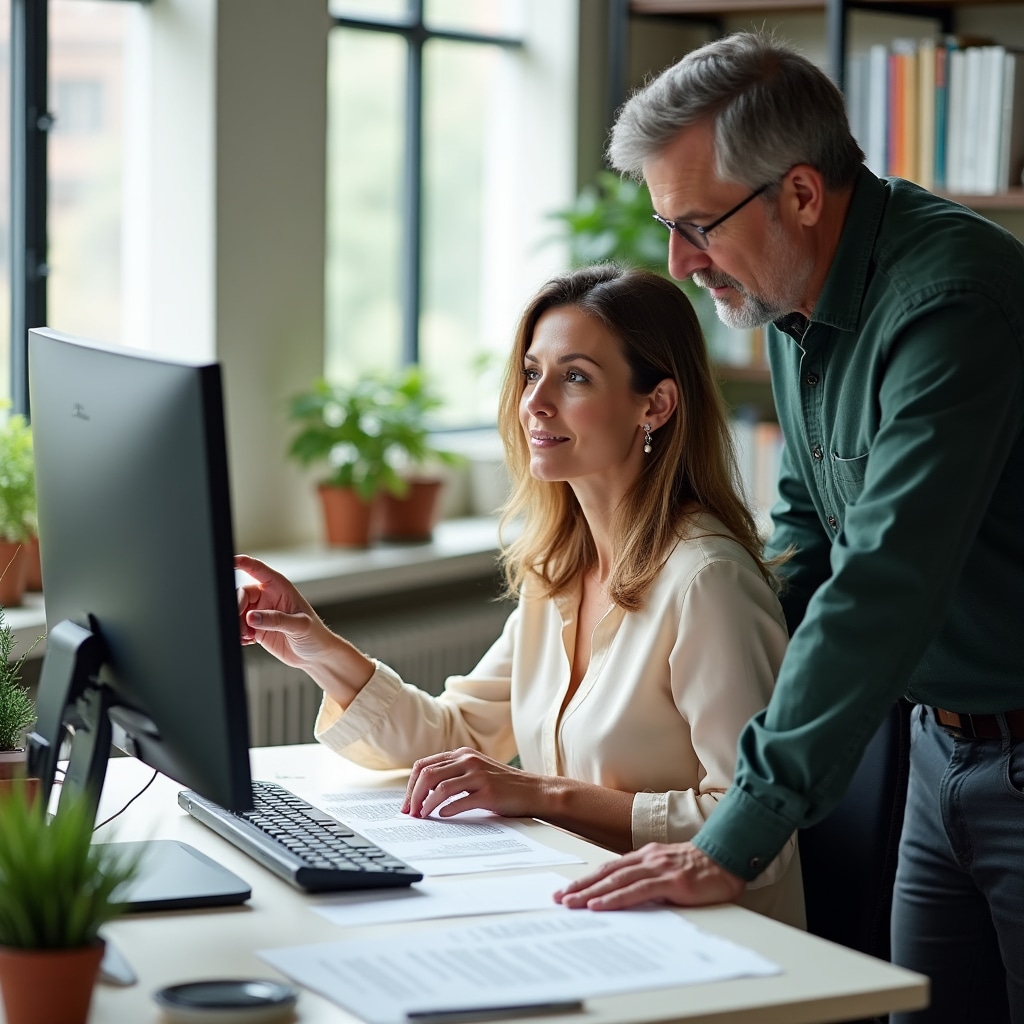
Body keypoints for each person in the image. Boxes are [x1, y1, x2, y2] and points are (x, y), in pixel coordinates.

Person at [552, 29, 1024, 1024]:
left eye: (696, 227)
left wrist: (736, 831)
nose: (680, 265)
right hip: (939, 749)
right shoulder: (785, 297)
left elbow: (881, 581)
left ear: (801, 195)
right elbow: (810, 535)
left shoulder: (952, 303)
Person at [236, 263, 805, 927]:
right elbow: (452, 739)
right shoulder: (560, 572)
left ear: (655, 405)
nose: (535, 401)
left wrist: (545, 795)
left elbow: (754, 832)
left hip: (715, 939)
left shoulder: (708, 581)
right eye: (532, 372)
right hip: (583, 911)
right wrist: (315, 646)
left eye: (575, 376)